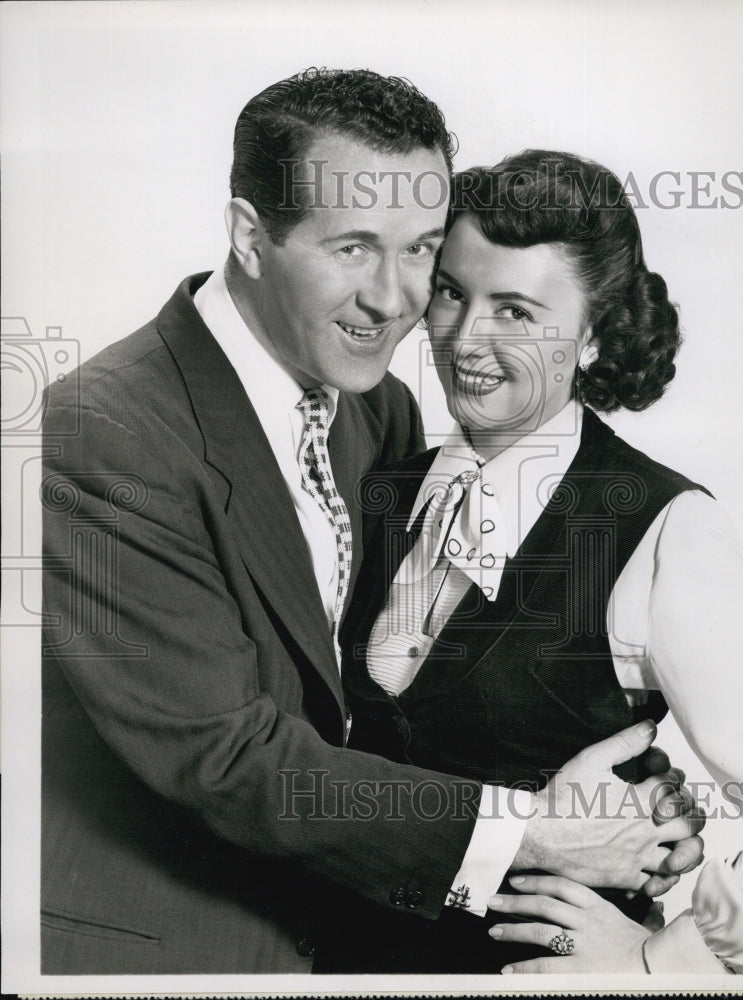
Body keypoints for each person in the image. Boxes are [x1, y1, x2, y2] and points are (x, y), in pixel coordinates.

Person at [40, 72, 702, 975]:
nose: (392, 301)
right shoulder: (103, 435)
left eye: (420, 249)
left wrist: (622, 797)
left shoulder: (374, 407)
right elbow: (227, 756)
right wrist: (533, 831)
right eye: (353, 247)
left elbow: (377, 709)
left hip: (360, 943)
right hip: (170, 957)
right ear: (248, 237)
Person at [332, 150, 743, 974]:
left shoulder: (664, 529)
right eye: (453, 292)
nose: (463, 339)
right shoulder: (383, 490)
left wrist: (664, 965)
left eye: (517, 312)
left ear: (594, 332)